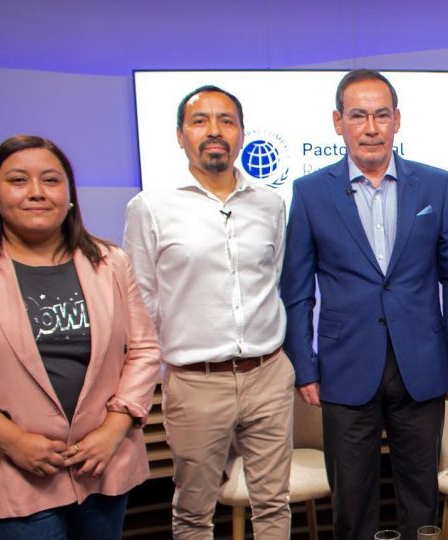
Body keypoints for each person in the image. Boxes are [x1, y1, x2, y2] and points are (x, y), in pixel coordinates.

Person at [281, 69, 448, 540]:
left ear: (397, 121)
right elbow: (297, 289)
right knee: (352, 503)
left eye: (381, 115)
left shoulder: (435, 184)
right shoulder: (310, 192)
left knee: (420, 499)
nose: (371, 127)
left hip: (422, 363)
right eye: (358, 115)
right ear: (338, 122)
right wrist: (304, 367)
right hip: (344, 367)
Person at [0, 135, 161, 539]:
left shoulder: (110, 262)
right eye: (18, 180)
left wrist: (112, 430)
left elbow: (143, 351)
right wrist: (12, 441)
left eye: (51, 180)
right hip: (11, 468)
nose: (36, 192)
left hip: (102, 463)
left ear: (70, 196)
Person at [123, 85, 295, 539]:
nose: (214, 131)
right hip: (195, 382)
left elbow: (274, 280)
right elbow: (140, 302)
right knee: (194, 511)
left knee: (274, 504)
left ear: (241, 134)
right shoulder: (150, 208)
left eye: (226, 121)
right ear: (180, 135)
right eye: (200, 121)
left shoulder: (270, 203)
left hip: (268, 374)